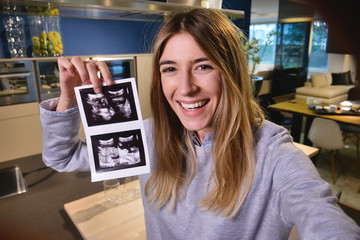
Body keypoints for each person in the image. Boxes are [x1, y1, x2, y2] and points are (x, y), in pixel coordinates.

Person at [39, 8, 360, 239]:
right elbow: (62, 158)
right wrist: (68, 99)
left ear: (231, 72)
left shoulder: (273, 155)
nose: (186, 87)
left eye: (203, 66)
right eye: (170, 69)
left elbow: (322, 216)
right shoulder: (150, 138)